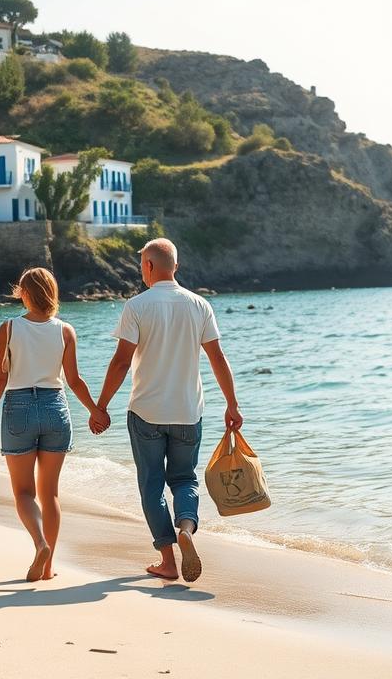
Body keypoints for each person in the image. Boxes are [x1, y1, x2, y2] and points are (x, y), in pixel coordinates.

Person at [90, 238, 242, 583]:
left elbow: (120, 362)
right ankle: (186, 526)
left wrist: (100, 406)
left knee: (152, 487)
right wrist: (232, 404)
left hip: (146, 412)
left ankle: (168, 560)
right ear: (176, 266)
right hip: (188, 412)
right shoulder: (199, 305)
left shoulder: (138, 306)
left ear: (148, 266)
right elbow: (218, 358)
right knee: (185, 479)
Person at [0, 267, 103, 582]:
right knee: (50, 494)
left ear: (24, 293)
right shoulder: (65, 331)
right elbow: (74, 380)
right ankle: (47, 567)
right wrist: (96, 411)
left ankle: (39, 544)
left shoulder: (9, 328)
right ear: (52, 293)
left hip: (19, 408)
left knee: (24, 493)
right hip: (55, 407)